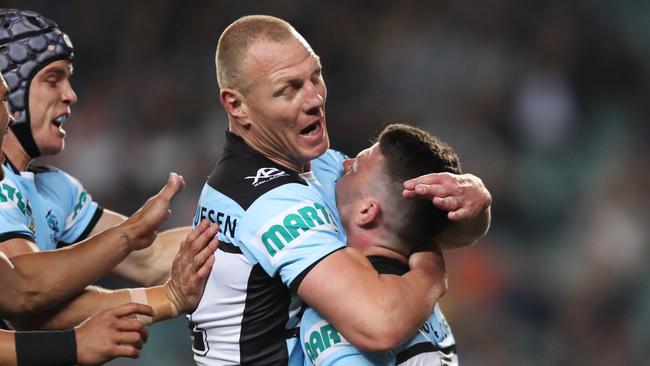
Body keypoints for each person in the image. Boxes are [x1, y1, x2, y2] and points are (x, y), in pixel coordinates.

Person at [189, 15, 491, 365]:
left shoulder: (328, 166)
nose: (314, 98)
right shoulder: (264, 199)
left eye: (315, 76)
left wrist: (475, 198)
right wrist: (431, 273)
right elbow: (378, 325)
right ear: (237, 105)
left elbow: (408, 222)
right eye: (288, 89)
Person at [0, 72, 217, 365]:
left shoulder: (56, 188)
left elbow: (14, 291)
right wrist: (73, 346)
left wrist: (170, 296)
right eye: (1, 99)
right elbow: (28, 292)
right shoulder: (10, 192)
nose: (9, 116)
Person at [0, 8, 188, 287]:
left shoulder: (58, 189)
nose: (71, 95)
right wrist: (162, 301)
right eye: (53, 80)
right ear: (9, 88)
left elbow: (151, 259)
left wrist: (241, 225)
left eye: (68, 79)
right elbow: (27, 288)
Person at [301, 123, 461, 365]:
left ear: (367, 211)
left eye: (355, 168)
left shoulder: (350, 309)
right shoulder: (426, 304)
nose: (344, 165)